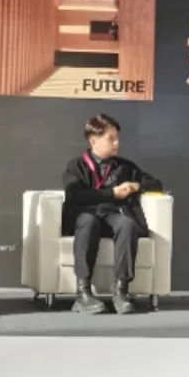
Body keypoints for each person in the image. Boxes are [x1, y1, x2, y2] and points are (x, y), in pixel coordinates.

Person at [62, 114, 163, 315]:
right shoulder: (76, 166)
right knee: (88, 221)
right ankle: (83, 294)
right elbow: (76, 194)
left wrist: (135, 186)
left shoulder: (125, 166)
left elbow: (156, 184)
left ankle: (121, 291)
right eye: (111, 138)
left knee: (128, 224)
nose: (117, 143)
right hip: (86, 215)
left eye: (117, 138)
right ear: (93, 141)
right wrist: (112, 193)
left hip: (114, 215)